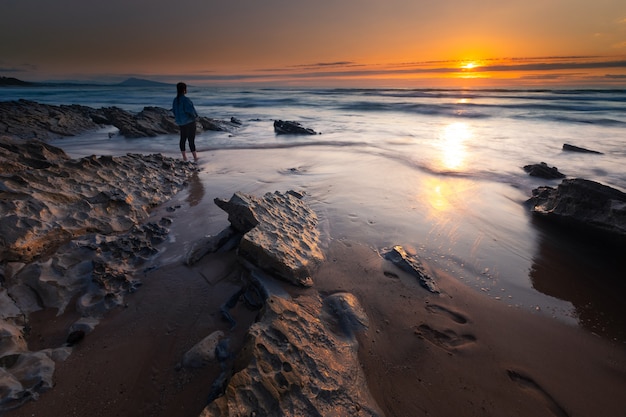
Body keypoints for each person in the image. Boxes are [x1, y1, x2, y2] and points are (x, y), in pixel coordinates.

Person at [172, 82, 198, 161]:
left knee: (183, 138)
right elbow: (190, 111)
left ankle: (184, 157)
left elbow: (174, 111)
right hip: (189, 122)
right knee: (191, 140)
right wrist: (195, 117)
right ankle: (195, 157)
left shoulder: (175, 100)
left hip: (180, 122)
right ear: (184, 90)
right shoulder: (186, 100)